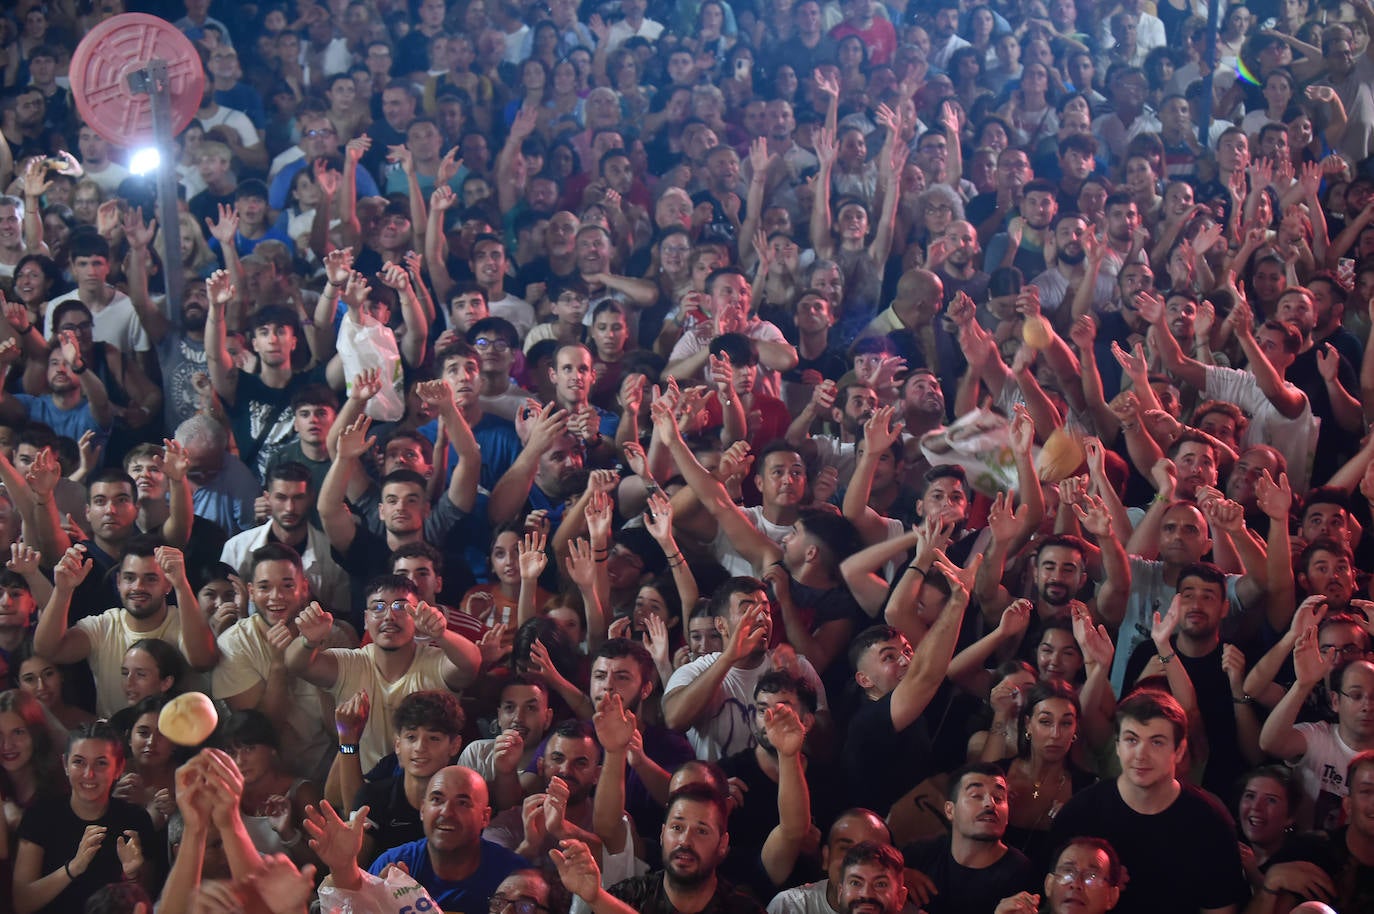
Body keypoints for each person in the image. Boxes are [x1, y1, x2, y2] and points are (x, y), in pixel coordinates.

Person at [1050, 691, 1249, 914]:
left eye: (1156, 742)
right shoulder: (1080, 813)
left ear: (1179, 750)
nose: (1141, 755)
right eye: (1131, 740)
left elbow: (1220, 909)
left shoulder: (1210, 822)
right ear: (1117, 746)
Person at [285, 574, 480, 769]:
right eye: (378, 607)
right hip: (362, 783)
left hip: (430, 784)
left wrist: (441, 634)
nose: (389, 616)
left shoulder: (435, 662)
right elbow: (297, 664)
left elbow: (471, 664)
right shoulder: (350, 663)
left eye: (400, 607)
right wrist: (308, 642)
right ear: (365, 619)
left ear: (417, 615)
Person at [211, 543, 357, 782]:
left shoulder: (333, 637)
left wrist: (314, 655)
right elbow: (258, 735)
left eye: (287, 586)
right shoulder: (234, 644)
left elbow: (341, 730)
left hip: (329, 774)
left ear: (304, 588)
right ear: (251, 591)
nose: (276, 596)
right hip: (263, 782)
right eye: (264, 587)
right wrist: (279, 664)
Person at [33, 540, 218, 719]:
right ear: (118, 581)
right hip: (114, 737)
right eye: (130, 578)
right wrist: (62, 590)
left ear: (167, 584)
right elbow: (48, 650)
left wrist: (181, 584)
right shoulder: (103, 626)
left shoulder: (185, 621)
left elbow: (203, 661)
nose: (138, 587)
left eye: (151, 579)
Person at [304, 765, 526, 909]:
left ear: (485, 817)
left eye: (462, 803)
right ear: (422, 810)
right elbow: (351, 906)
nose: (446, 812)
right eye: (437, 800)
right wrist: (343, 867)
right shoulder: (392, 865)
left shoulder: (514, 875)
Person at [551, 783, 767, 914]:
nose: (685, 841)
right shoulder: (627, 895)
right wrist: (595, 898)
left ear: (722, 844)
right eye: (677, 827)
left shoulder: (743, 909)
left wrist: (598, 899)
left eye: (701, 831)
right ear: (663, 834)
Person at [12, 722, 155, 914]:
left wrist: (131, 876)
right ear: (65, 765)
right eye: (79, 762)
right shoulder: (40, 815)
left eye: (101, 763)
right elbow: (22, 903)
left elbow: (146, 905)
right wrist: (74, 867)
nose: (89, 774)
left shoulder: (135, 819)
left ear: (119, 768)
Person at [902, 764, 1034, 914]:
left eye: (999, 798)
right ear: (950, 810)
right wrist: (897, 877)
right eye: (976, 796)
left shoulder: (1019, 871)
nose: (990, 804)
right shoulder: (919, 855)